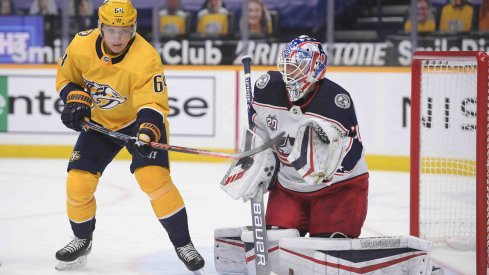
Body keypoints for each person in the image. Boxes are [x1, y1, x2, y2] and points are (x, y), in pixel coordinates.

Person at [53, 0, 205, 272]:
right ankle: (81, 239)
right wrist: (75, 100)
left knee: (154, 179)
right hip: (100, 124)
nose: (117, 37)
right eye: (111, 30)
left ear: (134, 29)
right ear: (100, 26)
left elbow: (152, 104)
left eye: (124, 31)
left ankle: (184, 243)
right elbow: (66, 78)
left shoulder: (146, 57)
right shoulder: (80, 45)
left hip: (137, 123)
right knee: (78, 182)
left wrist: (146, 133)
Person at [223, 35, 369, 239]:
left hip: (336, 190)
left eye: (296, 66)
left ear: (316, 68)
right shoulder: (267, 90)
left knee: (326, 254)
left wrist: (327, 162)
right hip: (289, 189)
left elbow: (353, 152)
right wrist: (254, 160)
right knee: (277, 248)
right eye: (287, 65)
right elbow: (260, 133)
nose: (289, 72)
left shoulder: (335, 101)